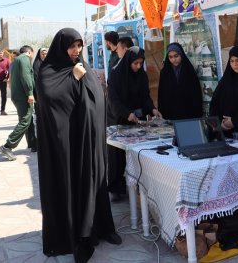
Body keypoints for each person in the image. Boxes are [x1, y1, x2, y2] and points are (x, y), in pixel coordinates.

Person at [36, 28, 121, 262]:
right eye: (72, 46)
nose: (77, 51)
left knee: (96, 184)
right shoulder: (49, 71)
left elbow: (98, 97)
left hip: (90, 141)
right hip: (69, 146)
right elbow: (49, 99)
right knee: (75, 186)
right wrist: (72, 78)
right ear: (61, 47)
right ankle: (77, 236)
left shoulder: (83, 66)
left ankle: (103, 229)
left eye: (79, 46)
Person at [105, 35, 134, 199]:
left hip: (126, 115)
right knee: (115, 153)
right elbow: (114, 96)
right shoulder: (117, 66)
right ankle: (116, 188)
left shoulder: (129, 65)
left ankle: (123, 186)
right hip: (116, 114)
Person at [0, 46, 37, 160]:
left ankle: (33, 144)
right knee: (25, 121)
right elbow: (26, 77)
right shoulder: (25, 59)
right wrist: (30, 92)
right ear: (30, 52)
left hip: (18, 95)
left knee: (27, 121)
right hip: (23, 96)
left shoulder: (17, 60)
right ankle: (7, 146)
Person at [107, 46, 162, 125]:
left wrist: (152, 109)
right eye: (135, 63)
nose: (139, 66)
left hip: (138, 119)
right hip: (120, 119)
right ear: (128, 61)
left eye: (141, 63)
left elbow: (145, 97)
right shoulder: (116, 75)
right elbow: (113, 99)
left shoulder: (142, 75)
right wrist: (127, 114)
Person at [158, 43, 202, 120]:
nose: (174, 60)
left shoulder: (189, 71)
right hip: (170, 114)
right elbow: (161, 94)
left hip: (188, 113)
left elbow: (196, 94)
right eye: (170, 57)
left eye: (176, 56)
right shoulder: (165, 72)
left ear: (181, 55)